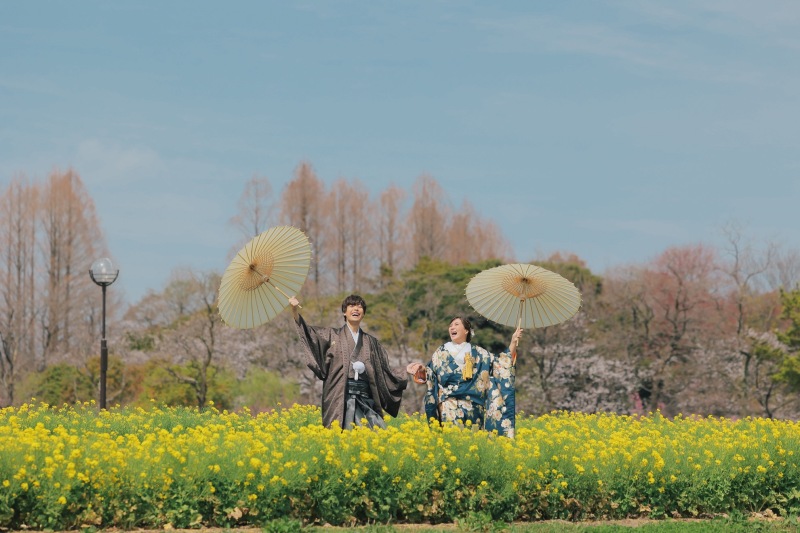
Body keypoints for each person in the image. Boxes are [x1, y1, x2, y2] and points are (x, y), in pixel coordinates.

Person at [289, 294, 415, 430]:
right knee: (340, 435)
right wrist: (295, 311)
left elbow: (383, 370)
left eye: (360, 306)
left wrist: (404, 370)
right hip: (339, 397)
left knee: (374, 433)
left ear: (363, 313)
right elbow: (309, 334)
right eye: (351, 306)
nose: (356, 309)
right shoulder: (332, 335)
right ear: (344, 311)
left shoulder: (371, 342)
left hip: (366, 399)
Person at [407, 316, 521, 438]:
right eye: (450, 325)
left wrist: (513, 341)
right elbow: (431, 373)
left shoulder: (479, 353)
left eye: (456, 324)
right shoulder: (441, 351)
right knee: (453, 442)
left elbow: (501, 364)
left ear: (466, 330)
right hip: (449, 405)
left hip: (474, 407)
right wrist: (421, 369)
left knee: (473, 444)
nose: (452, 327)